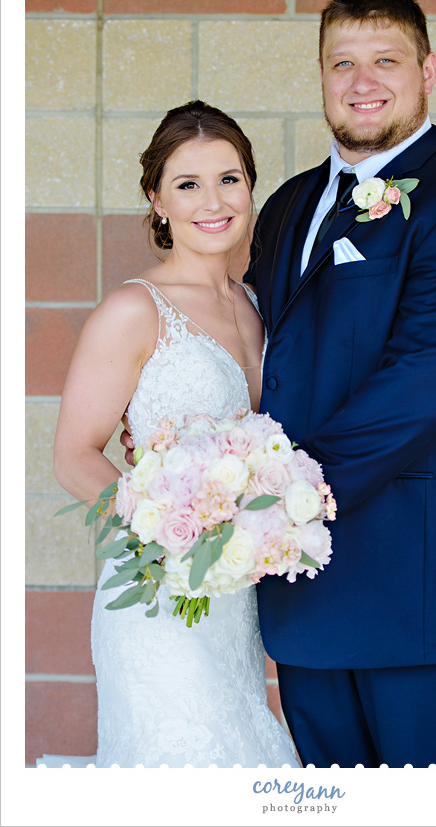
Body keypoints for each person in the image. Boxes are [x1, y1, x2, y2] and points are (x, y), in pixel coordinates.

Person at [243, 0, 436, 767]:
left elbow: (425, 384)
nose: (362, 81)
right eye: (342, 62)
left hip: (425, 594)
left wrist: (280, 498)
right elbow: (257, 352)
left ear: (427, 71)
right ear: (321, 74)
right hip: (308, 595)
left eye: (386, 60)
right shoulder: (287, 206)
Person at [50, 100, 300, 768]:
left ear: (250, 189)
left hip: (235, 601)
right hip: (159, 595)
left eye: (229, 179)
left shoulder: (258, 305)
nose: (212, 201)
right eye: (188, 184)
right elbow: (73, 457)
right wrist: (171, 534)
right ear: (157, 201)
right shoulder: (134, 309)